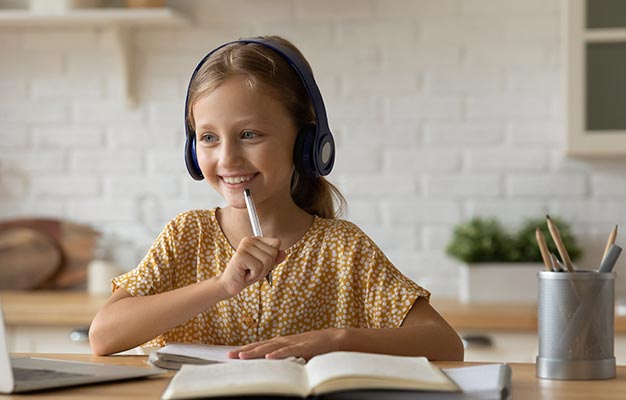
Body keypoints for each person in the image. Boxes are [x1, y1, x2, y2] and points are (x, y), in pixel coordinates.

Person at [89, 36, 464, 362]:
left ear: (305, 144)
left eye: (249, 134)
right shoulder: (187, 235)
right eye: (208, 137)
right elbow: (103, 336)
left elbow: (445, 343)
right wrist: (222, 286)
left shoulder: (343, 249)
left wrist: (338, 340)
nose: (227, 159)